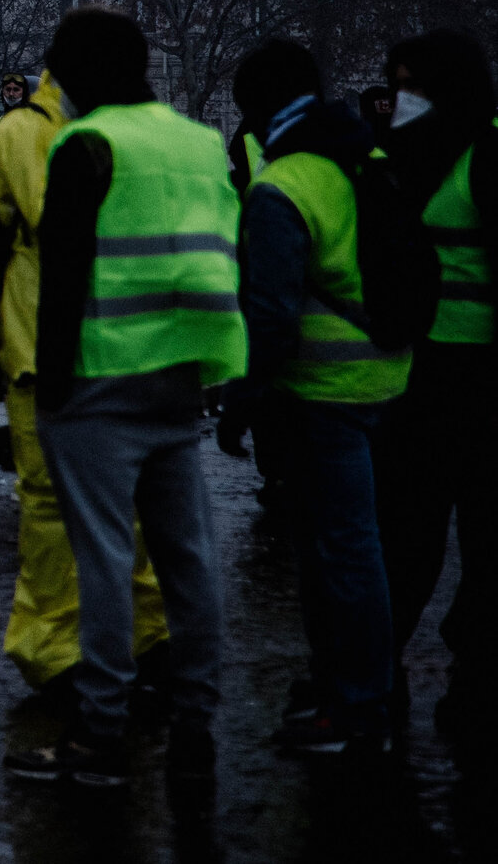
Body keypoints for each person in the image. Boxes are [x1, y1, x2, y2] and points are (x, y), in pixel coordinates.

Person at [6, 8, 239, 787]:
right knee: (188, 557)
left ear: (79, 74)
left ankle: (98, 735)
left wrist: (53, 389)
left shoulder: (85, 144)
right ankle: (197, 721)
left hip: (97, 379)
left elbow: (64, 278)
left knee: (102, 559)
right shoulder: (201, 141)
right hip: (180, 377)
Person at [217, 39, 408, 755]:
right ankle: (358, 690)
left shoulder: (285, 184)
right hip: (388, 376)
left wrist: (242, 402)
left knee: (340, 553)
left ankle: (355, 707)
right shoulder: (366, 156)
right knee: (364, 547)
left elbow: (269, 316)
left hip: (322, 389)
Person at [0, 59, 167, 703]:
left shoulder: (24, 131)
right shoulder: (46, 132)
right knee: (90, 502)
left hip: (60, 341)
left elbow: (43, 221)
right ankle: (122, 639)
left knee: (64, 505)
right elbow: (57, 220)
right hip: (85, 343)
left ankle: (72, 646)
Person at [374, 27, 494, 742]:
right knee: (408, 530)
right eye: (395, 85)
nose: (400, 98)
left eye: (413, 84)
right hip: (418, 374)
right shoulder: (400, 158)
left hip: (476, 376)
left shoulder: (483, 155)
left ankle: (475, 663)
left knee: (480, 530)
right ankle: (379, 657)